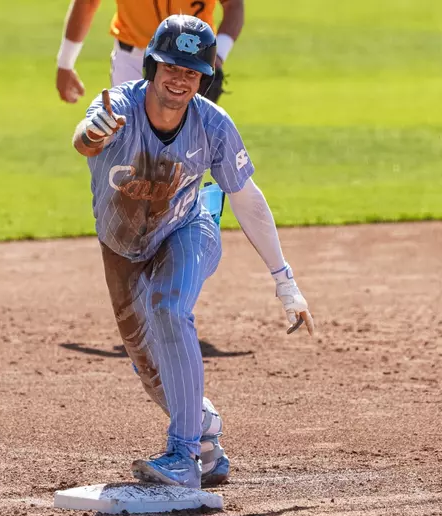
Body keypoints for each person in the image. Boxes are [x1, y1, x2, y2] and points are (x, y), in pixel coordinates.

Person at [71, 15, 314, 489]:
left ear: (203, 78)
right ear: (152, 67)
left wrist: (285, 281)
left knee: (168, 306)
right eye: (172, 67)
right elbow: (84, 140)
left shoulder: (213, 125)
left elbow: (245, 197)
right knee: (149, 369)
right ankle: (204, 435)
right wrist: (94, 131)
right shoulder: (119, 107)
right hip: (121, 250)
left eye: (192, 71)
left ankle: (182, 456)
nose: (180, 79)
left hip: (187, 230)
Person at [55, 0, 244, 104]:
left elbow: (233, 4)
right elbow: (87, 2)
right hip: (133, 62)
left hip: (190, 63)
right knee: (129, 148)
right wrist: (65, 62)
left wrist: (217, 57)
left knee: (186, 154)